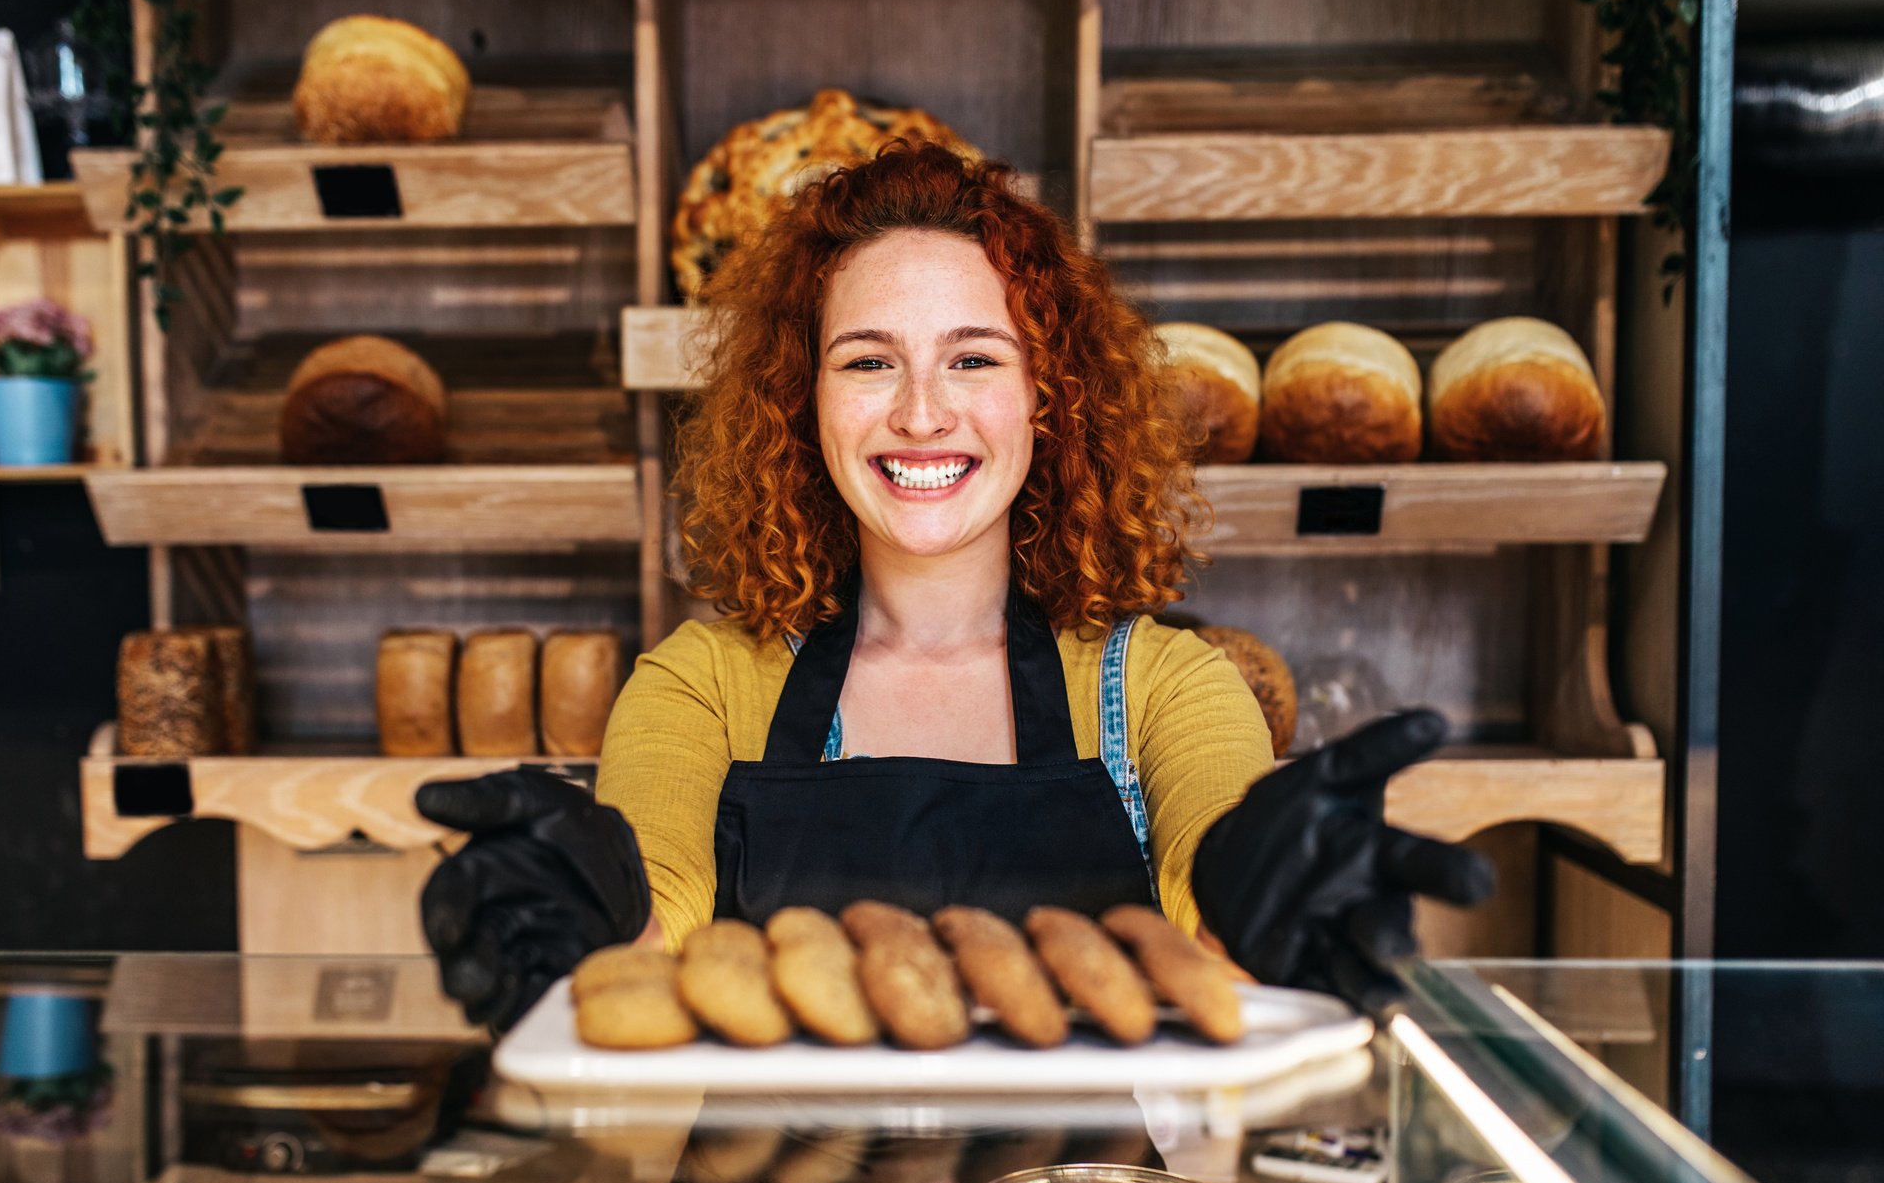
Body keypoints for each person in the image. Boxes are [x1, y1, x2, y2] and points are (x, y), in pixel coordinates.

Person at [417, 142, 1491, 1035]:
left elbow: (1211, 925)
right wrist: (584, 905)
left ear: (1048, 398)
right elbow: (657, 918)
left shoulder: (1165, 688)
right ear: (802, 404)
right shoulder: (703, 683)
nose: (922, 413)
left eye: (975, 359)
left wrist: (1258, 907)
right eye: (868, 361)